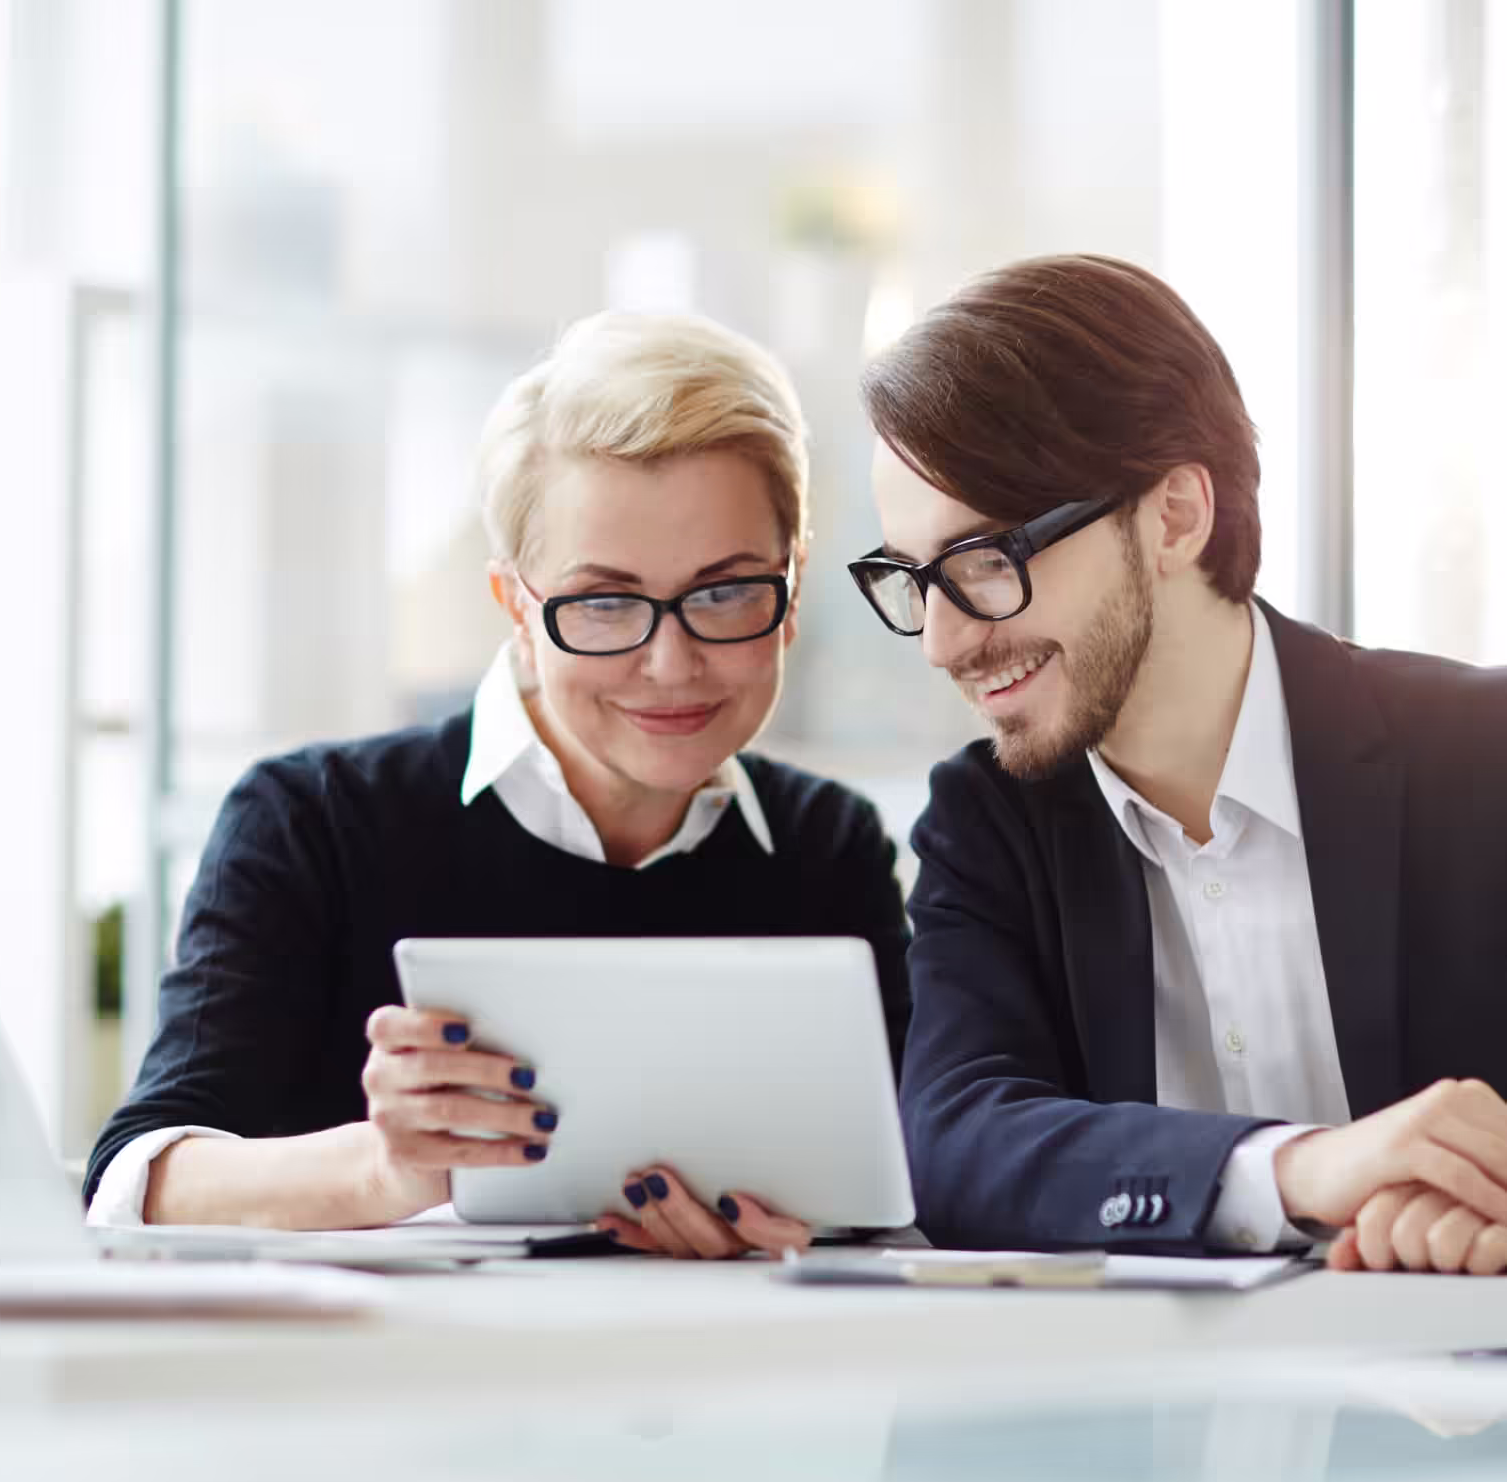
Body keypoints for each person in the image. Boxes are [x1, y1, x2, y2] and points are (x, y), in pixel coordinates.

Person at [86, 310, 910, 1259]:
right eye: (604, 603)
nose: (672, 663)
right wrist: (388, 1171)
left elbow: (895, 1180)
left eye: (725, 592)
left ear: (793, 586)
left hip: (722, 1379)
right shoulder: (315, 821)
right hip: (394, 1388)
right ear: (515, 604)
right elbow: (137, 1180)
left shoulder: (828, 846)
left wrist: (816, 1224)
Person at [848, 253, 1507, 1276]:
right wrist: (1292, 1169)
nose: (940, 640)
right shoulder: (987, 822)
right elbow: (957, 1146)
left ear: (1174, 516)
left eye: (986, 560)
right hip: (1152, 1424)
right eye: (913, 576)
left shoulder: (1479, 758)